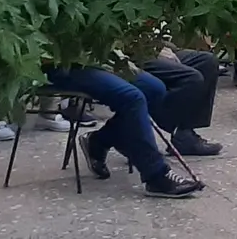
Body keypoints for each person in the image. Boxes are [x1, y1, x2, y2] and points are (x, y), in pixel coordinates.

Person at [47, 63, 203, 198]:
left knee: (155, 89)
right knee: (132, 98)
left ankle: (99, 141)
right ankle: (156, 175)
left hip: (98, 57)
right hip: (63, 63)